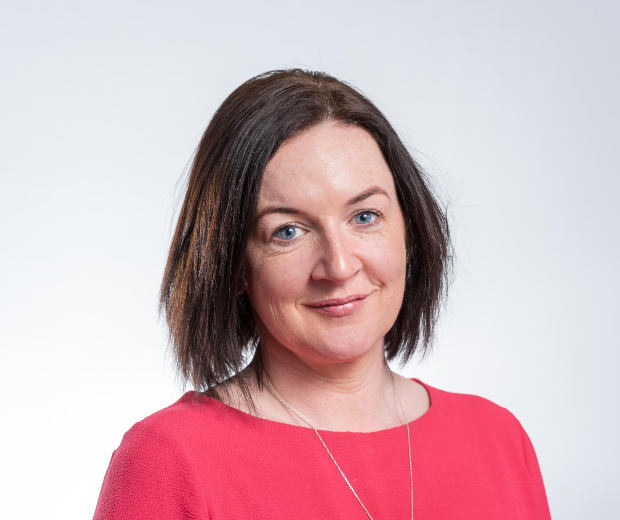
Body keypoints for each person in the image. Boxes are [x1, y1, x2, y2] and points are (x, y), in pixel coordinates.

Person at [93, 69, 552, 519]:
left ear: (409, 228)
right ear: (232, 264)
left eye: (365, 217)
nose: (338, 266)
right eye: (287, 231)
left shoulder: (498, 439)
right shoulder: (169, 461)